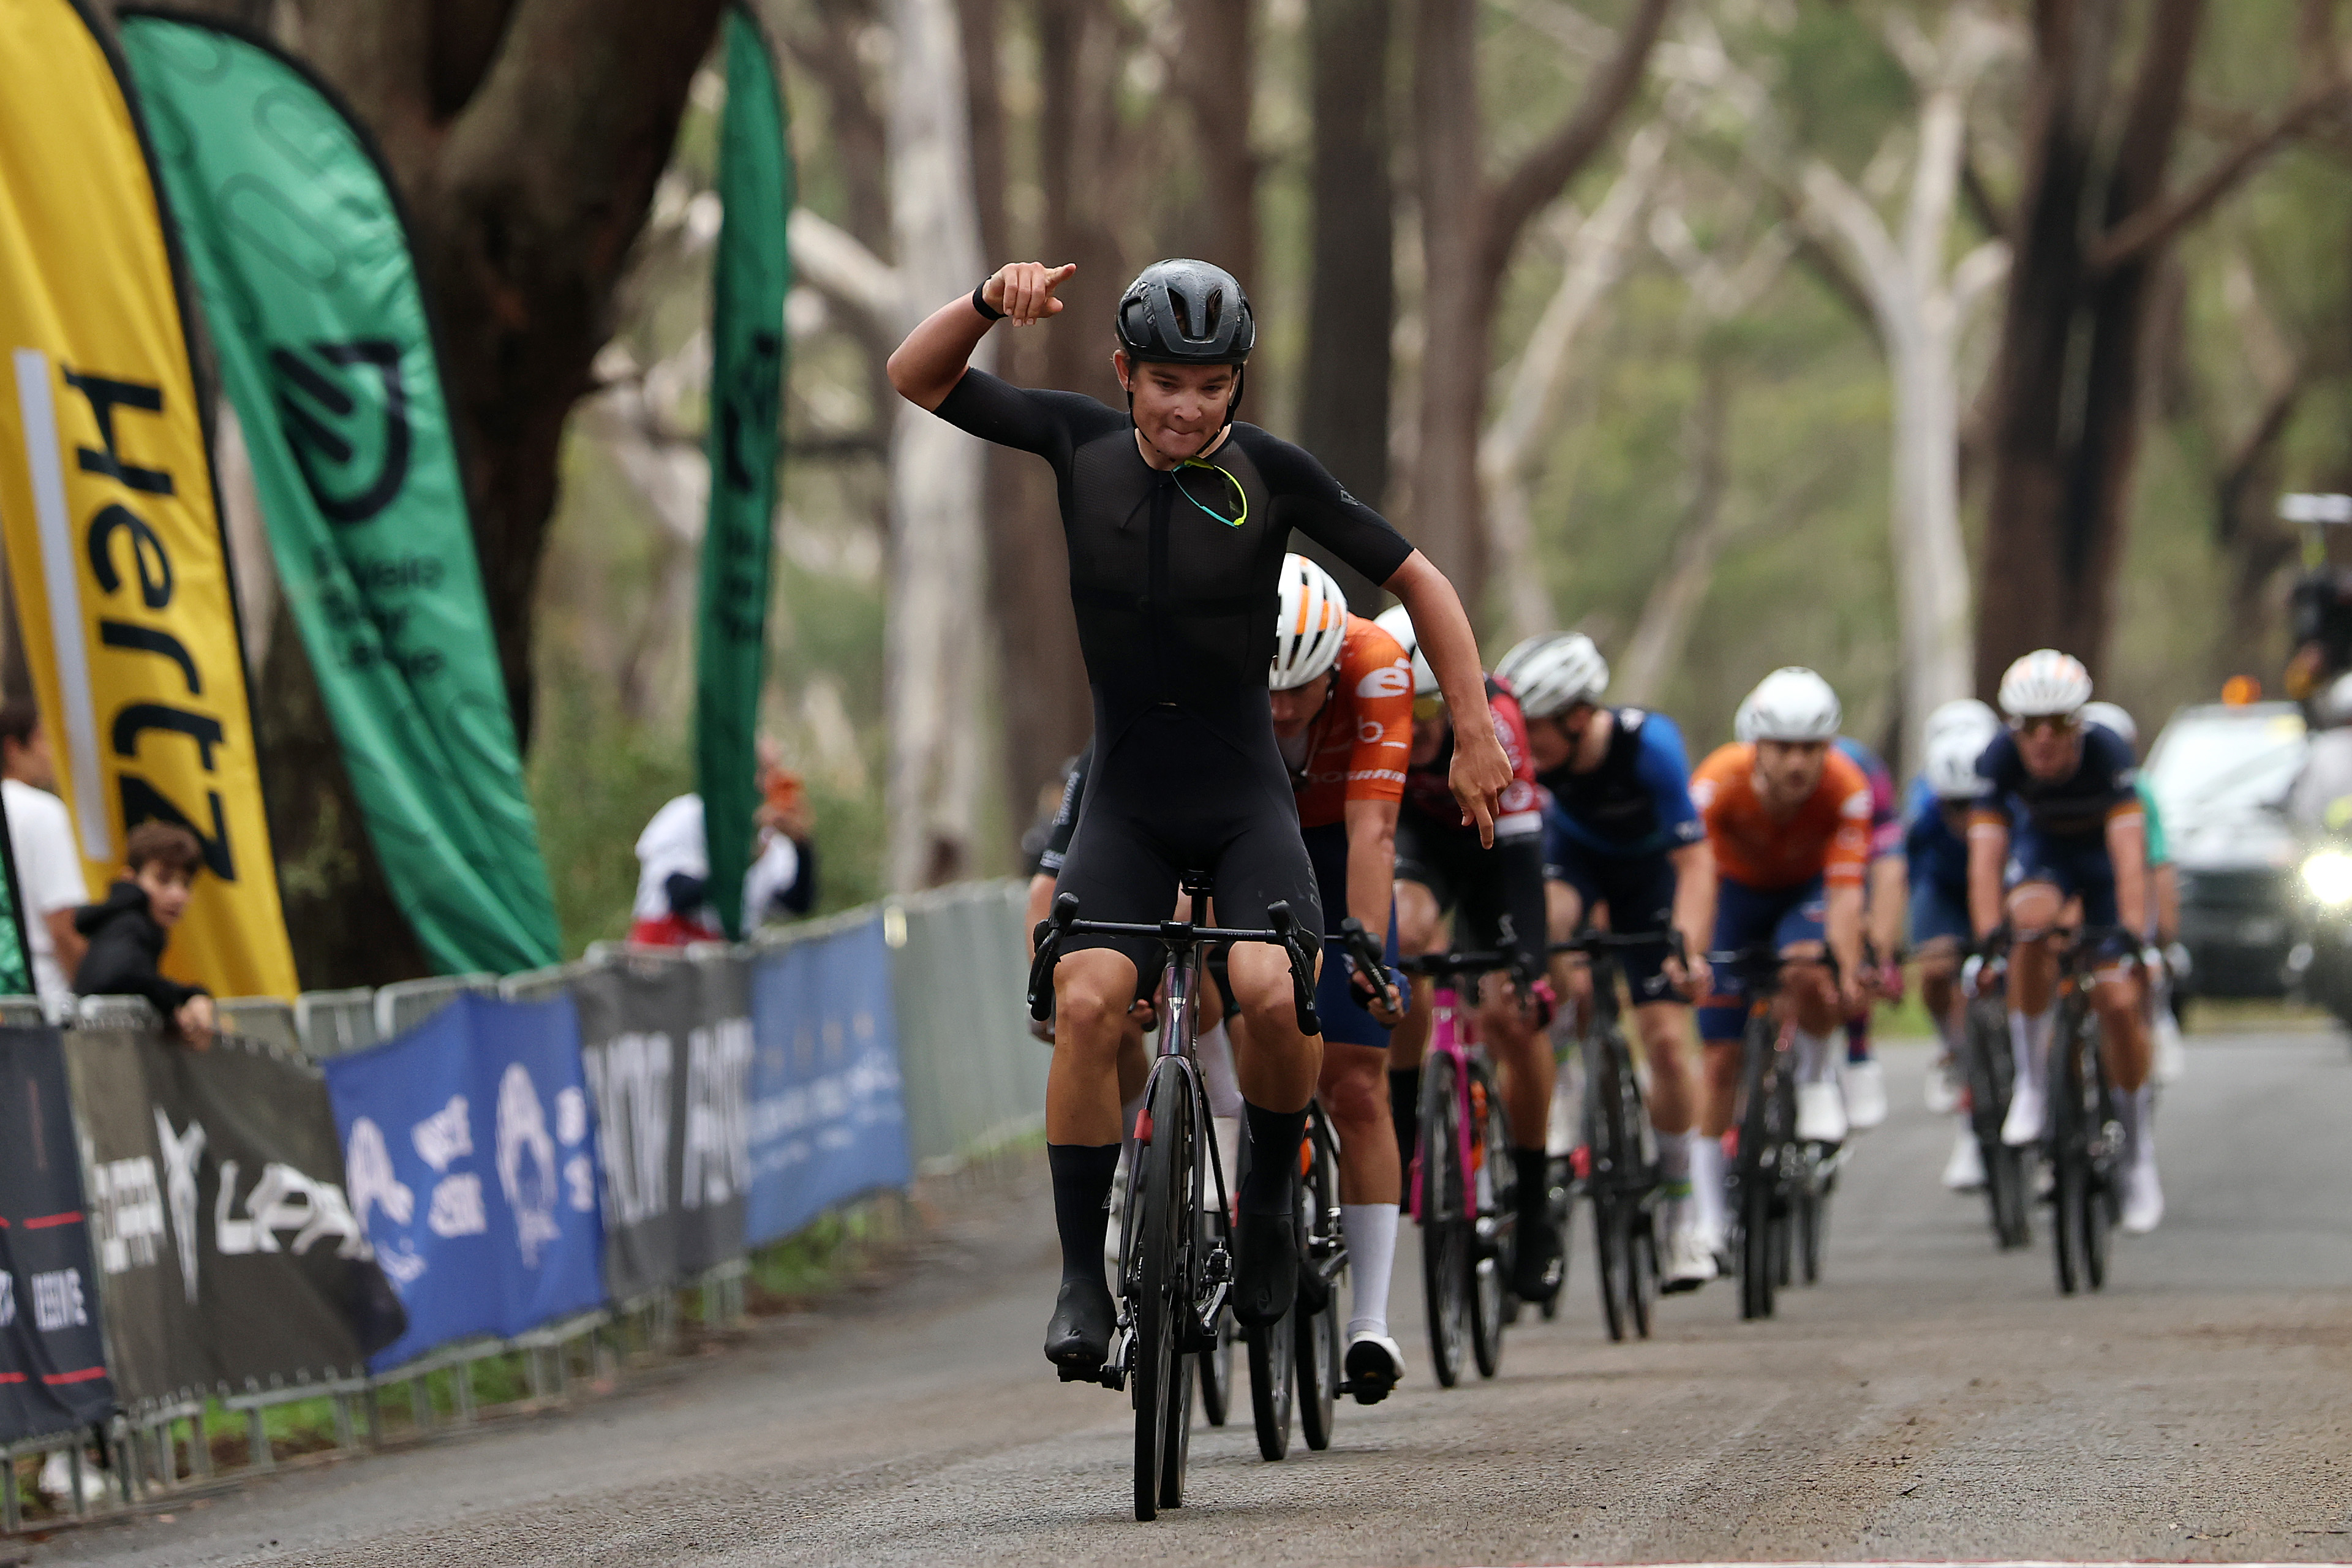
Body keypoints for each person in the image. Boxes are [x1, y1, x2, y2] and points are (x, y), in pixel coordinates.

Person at [886, 256, 1509, 1375]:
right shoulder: (1075, 442)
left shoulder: (1274, 476)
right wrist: (985, 304)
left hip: (1240, 804)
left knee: (1272, 994)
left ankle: (1266, 1201)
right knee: (1086, 1005)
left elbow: (1424, 585)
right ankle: (1085, 1274)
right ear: (1123, 373)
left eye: (1213, 385)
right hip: (1125, 800)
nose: (1188, 407)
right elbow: (915, 378)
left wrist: (1472, 728)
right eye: (1168, 381)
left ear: (1239, 388)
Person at [1495, 631, 1719, 1290]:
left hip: (1652, 880)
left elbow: (1695, 862)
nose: (1522, 741)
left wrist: (1688, 948)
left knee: (1667, 1045)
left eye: (1534, 728)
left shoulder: (1649, 748)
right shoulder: (1532, 756)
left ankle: (1682, 1209)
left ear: (1577, 715)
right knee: (1553, 924)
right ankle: (1561, 1067)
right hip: (1578, 863)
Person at [1250, 554, 1412, 1398]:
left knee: (1358, 1081)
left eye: (1301, 690)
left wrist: (1364, 953)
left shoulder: (1376, 664)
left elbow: (1374, 831)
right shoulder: (1220, 652)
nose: (1281, 711)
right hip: (1248, 835)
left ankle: (1372, 1323)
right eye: (1267, 690)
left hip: (1342, 840)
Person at [1372, 603, 1560, 1303]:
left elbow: (1523, 858)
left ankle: (1536, 1202)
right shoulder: (1364, 712)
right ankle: (1404, 1113)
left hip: (1493, 848)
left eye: (1430, 707)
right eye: (1402, 706)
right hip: (1420, 840)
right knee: (1406, 938)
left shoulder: (1497, 719)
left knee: (1514, 1015)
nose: (1417, 725)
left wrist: (1529, 969)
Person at [1967, 650, 2163, 1234]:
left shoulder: (2108, 753)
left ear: (2079, 723)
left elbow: (2132, 859)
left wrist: (2134, 936)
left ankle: (2138, 1155)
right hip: (2045, 856)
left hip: (2102, 867)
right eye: (2030, 727)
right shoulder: (1998, 759)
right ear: (2013, 729)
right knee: (2028, 927)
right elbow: (1986, 859)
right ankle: (2031, 1084)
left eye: (2058, 725)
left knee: (2120, 1004)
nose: (2044, 740)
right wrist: (1985, 940)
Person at [1690, 669, 1872, 1180]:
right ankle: (1704, 1217)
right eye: (1784, 747)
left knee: (1810, 969)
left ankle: (1814, 1080)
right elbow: (1694, 876)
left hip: (1805, 894)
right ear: (1756, 746)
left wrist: (1848, 967)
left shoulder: (1847, 788)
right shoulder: (1715, 781)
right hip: (1734, 897)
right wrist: (1692, 952)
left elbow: (1846, 892)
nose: (1798, 762)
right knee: (1720, 1061)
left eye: (1812, 748)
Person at [1904, 698, 2003, 1190]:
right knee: (1939, 971)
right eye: (1954, 807)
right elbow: (1904, 877)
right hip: (1944, 890)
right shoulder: (1921, 813)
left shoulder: (2012, 799)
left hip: (2000, 883)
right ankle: (1954, 1056)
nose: (1966, 819)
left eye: (1975, 805)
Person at [630, 747, 817, 946]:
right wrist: (742, 861)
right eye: (762, 771)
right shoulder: (689, 814)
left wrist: (802, 844)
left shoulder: (772, 839)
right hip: (665, 955)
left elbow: (797, 905)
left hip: (727, 962)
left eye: (774, 771)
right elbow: (680, 896)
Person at [74, 822, 214, 1047]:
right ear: (130, 878)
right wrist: (177, 1001)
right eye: (163, 879)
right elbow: (120, 976)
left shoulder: (133, 923)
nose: (178, 895)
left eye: (186, 884)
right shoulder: (129, 924)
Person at [1831, 734, 1905, 1131]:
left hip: (1853, 849)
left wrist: (1880, 950)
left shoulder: (1858, 767)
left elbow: (1888, 863)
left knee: (1855, 917)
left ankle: (1858, 1050)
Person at [0, 699, 88, 1012]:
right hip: (41, 996)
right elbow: (62, 925)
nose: (52, 753)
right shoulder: (43, 812)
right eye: (43, 740)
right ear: (13, 748)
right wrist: (90, 990)